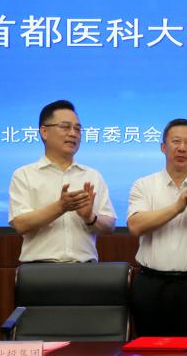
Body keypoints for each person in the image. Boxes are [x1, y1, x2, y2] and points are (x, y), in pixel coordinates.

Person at [126, 119, 187, 338]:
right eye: (176, 141)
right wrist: (177, 207)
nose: (182, 148)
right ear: (163, 146)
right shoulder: (144, 185)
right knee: (150, 353)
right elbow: (135, 226)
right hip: (150, 285)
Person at [9, 100, 116, 262]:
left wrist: (90, 217)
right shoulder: (24, 174)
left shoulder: (92, 175)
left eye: (77, 129)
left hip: (85, 269)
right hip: (39, 269)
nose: (73, 133)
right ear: (44, 132)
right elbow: (20, 224)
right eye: (65, 127)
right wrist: (61, 207)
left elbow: (110, 226)